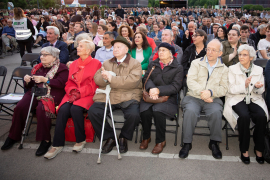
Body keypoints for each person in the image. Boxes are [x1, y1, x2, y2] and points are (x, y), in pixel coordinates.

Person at [1, 46, 69, 156]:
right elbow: (30, 85)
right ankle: (13, 136)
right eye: (41, 54)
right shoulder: (38, 67)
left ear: (53, 57)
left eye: (45, 55)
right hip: (35, 92)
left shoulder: (62, 68)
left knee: (42, 109)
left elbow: (61, 84)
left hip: (52, 93)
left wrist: (46, 80)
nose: (42, 57)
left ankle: (45, 140)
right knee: (20, 107)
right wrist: (28, 80)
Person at [44, 40, 101, 159]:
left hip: (87, 94)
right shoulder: (74, 63)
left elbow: (95, 84)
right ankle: (57, 144)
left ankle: (81, 139)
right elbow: (69, 81)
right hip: (72, 93)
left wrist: (80, 92)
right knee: (62, 110)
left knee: (75, 109)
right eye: (78, 46)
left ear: (88, 50)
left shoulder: (96, 63)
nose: (77, 48)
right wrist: (72, 91)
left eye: (81, 46)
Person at [88, 36, 142, 154]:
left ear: (126, 50)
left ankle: (124, 136)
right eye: (114, 47)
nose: (115, 49)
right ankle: (110, 137)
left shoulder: (135, 64)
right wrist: (105, 79)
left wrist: (111, 78)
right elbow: (97, 79)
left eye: (118, 47)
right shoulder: (107, 63)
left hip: (128, 95)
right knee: (94, 111)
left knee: (134, 114)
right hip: (109, 95)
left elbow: (132, 81)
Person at [179, 39, 228, 159]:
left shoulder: (224, 69)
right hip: (193, 96)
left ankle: (214, 142)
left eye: (213, 50)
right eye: (208, 49)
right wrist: (204, 94)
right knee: (190, 111)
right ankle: (187, 143)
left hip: (213, 98)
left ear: (220, 53)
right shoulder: (196, 63)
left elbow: (224, 88)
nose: (210, 52)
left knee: (216, 112)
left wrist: (210, 92)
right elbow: (190, 82)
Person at [223, 44, 268, 164]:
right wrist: (245, 85)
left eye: (245, 55)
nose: (241, 57)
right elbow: (230, 89)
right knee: (244, 117)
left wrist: (258, 87)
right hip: (237, 98)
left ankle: (259, 148)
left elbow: (260, 91)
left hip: (254, 98)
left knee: (261, 116)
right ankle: (244, 150)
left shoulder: (258, 70)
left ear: (251, 57)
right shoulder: (232, 69)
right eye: (240, 54)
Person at [139, 43, 183, 154]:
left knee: (158, 111)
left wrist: (158, 90)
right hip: (151, 95)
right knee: (145, 110)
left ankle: (160, 141)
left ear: (171, 53)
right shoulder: (153, 64)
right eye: (159, 50)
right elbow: (146, 79)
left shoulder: (178, 67)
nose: (160, 52)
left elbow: (176, 86)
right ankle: (146, 137)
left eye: (164, 50)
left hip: (168, 98)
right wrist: (152, 88)